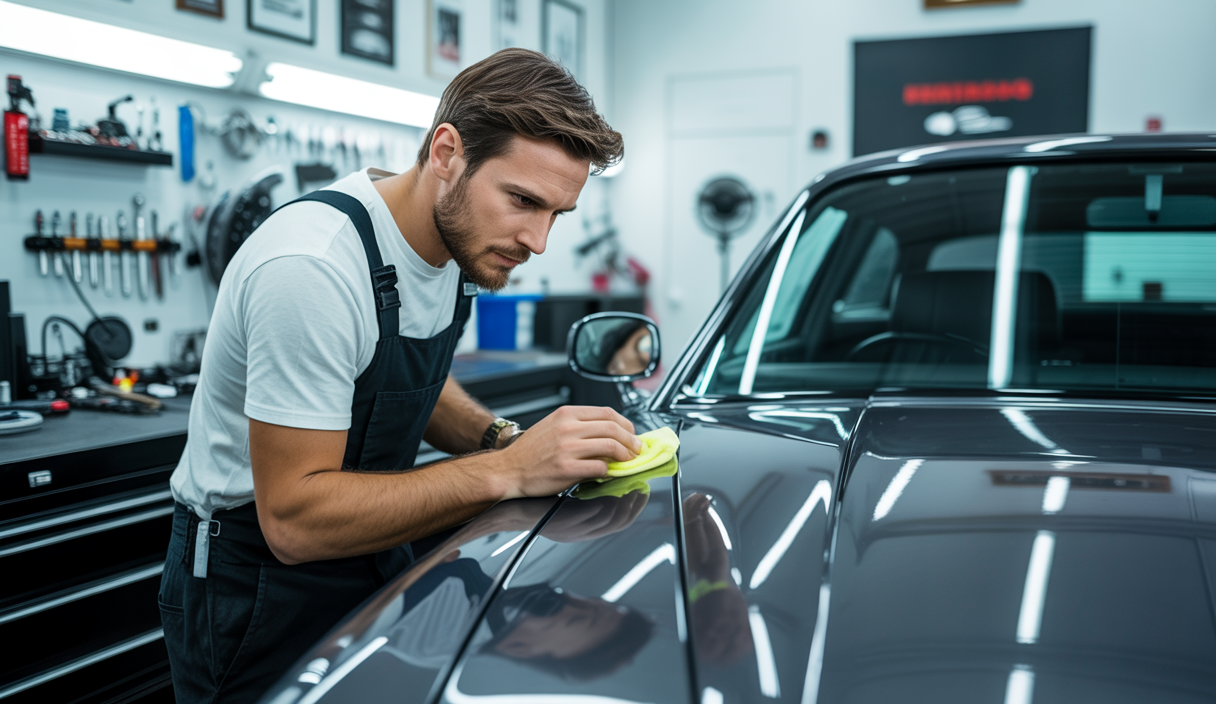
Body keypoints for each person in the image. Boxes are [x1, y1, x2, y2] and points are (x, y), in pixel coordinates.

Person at [158, 48, 634, 704]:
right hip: (258, 585)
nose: (538, 240)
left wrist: (499, 440)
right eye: (522, 200)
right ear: (447, 153)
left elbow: (399, 378)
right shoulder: (314, 267)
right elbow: (294, 522)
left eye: (556, 213)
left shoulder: (452, 248)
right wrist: (512, 471)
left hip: (370, 547)